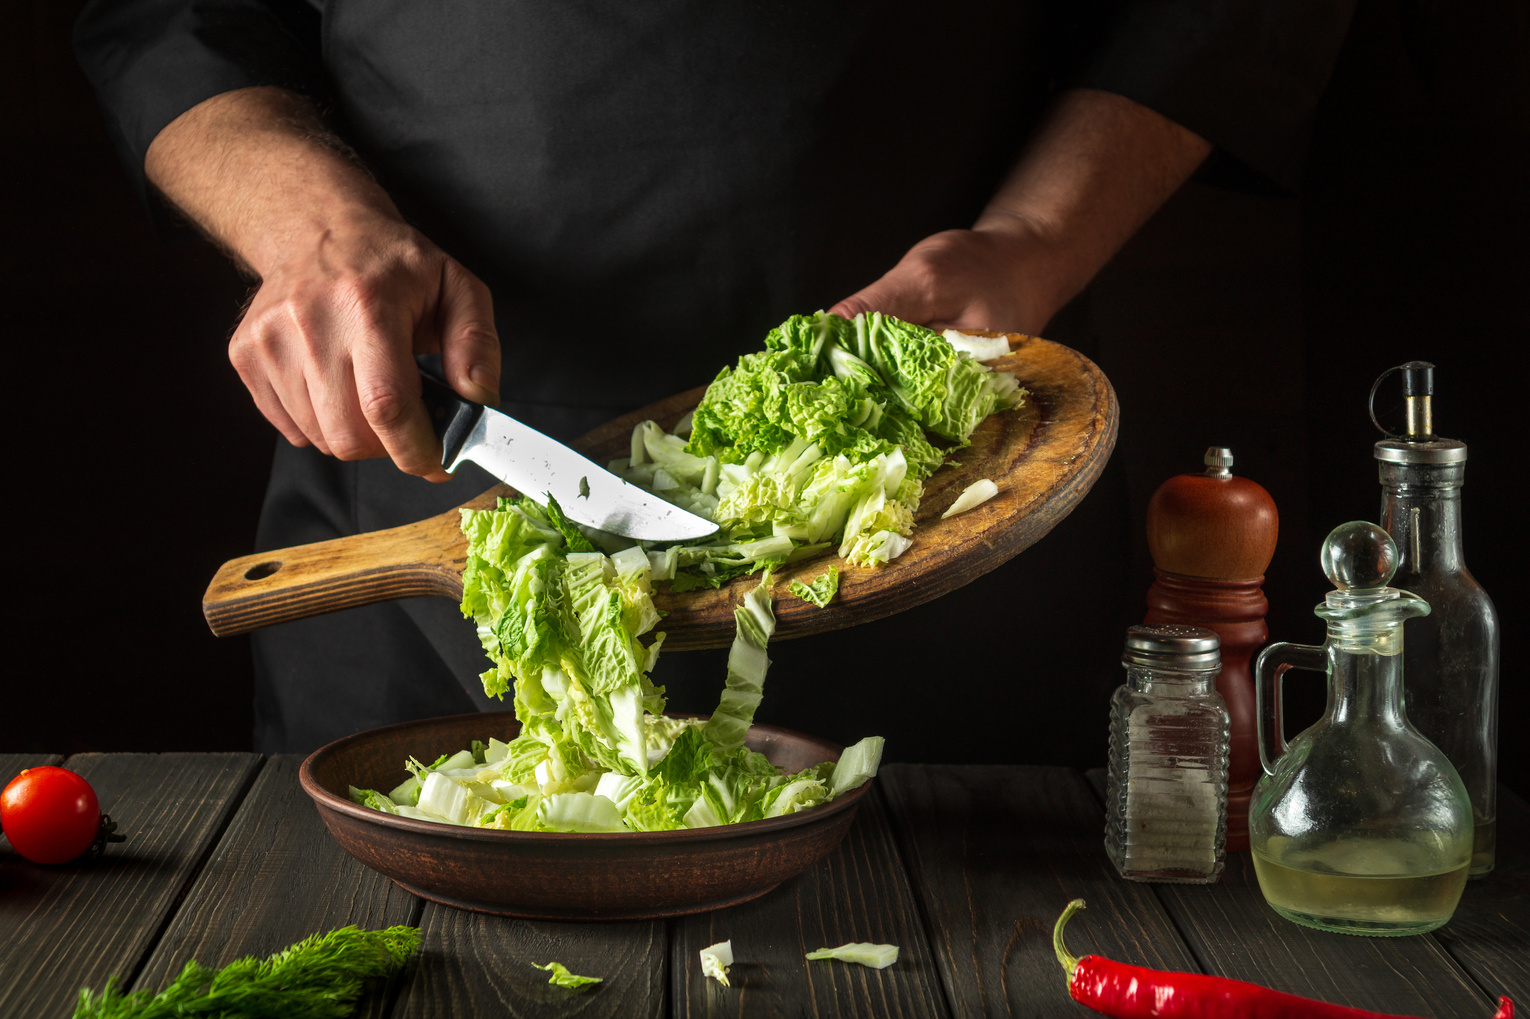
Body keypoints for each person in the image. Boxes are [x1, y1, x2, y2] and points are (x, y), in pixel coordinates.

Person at [75, 1, 1356, 756]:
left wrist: (1033, 244)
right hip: (416, 565)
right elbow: (164, 11)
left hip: (949, 538)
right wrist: (309, 228)